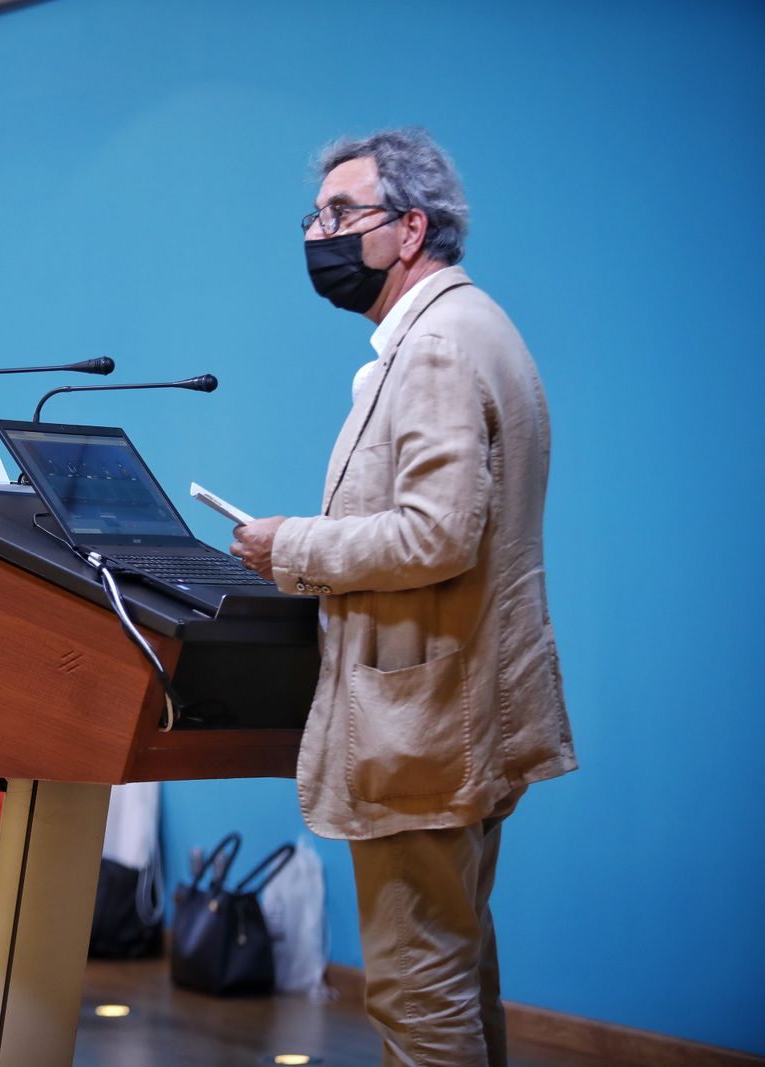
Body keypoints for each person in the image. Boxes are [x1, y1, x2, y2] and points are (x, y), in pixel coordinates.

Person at [231, 128, 576, 1065]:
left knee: (417, 992)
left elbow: (436, 532)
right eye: (315, 215)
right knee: (455, 972)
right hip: (467, 706)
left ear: (412, 227)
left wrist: (287, 546)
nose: (320, 232)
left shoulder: (436, 345)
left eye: (343, 213)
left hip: (425, 725)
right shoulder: (478, 327)